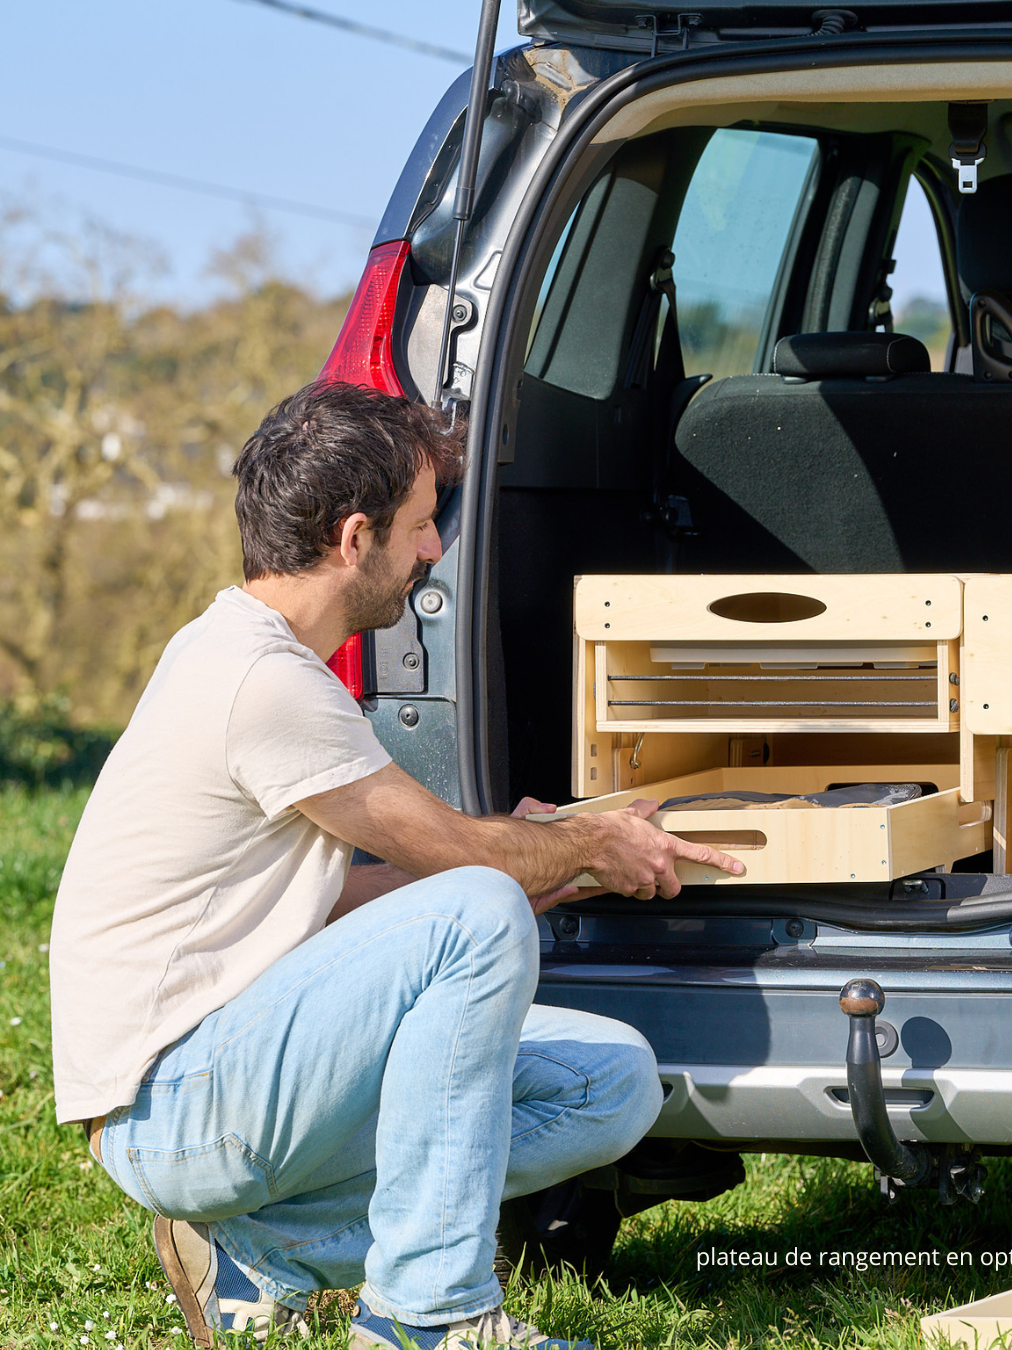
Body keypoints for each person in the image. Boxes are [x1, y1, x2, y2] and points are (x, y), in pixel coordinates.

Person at [49, 381, 744, 1350]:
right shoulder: (264, 682)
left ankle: (270, 1250)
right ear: (353, 538)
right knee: (477, 912)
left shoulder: (247, 653)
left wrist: (559, 865)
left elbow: (344, 901)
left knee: (612, 1082)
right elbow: (458, 867)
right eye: (420, 527)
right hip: (174, 1105)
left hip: (232, 1075)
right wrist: (584, 841)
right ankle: (431, 1313)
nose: (432, 551)